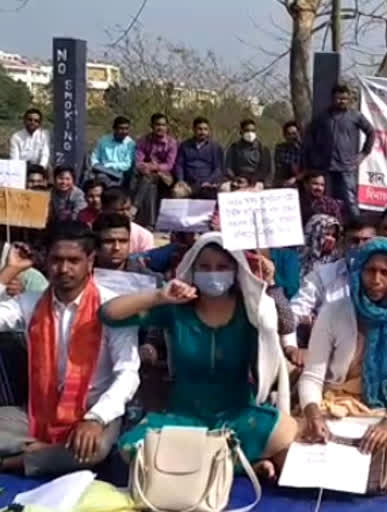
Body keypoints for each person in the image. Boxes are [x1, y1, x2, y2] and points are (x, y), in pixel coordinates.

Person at [100, 232, 296, 477]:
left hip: (237, 416)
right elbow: (108, 314)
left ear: (235, 271)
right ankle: (233, 462)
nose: (213, 273)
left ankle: (206, 462)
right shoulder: (177, 310)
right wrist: (159, 296)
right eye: (205, 267)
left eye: (222, 267)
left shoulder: (251, 308)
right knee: (131, 448)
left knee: (285, 431)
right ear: (192, 269)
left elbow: (287, 324)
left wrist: (271, 284)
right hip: (184, 418)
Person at [0, 222, 139, 476]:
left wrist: (96, 418)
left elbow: (128, 373)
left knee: (93, 449)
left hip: (93, 410)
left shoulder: (113, 308)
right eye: (56, 260)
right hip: (38, 412)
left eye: (73, 260)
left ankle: (14, 462)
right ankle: (46, 451)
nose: (63, 269)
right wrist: (10, 270)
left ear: (90, 260)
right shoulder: (30, 303)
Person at [299, 237, 387, 492]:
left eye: (385, 273)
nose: (376, 280)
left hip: (384, 414)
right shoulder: (334, 311)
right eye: (370, 271)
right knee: (299, 446)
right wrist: (313, 414)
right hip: (334, 406)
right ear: (357, 271)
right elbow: (312, 377)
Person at [303, 83, 375, 221]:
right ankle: (329, 226)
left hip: (346, 166)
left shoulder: (356, 116)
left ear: (348, 99)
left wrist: (363, 153)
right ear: (332, 99)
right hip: (326, 167)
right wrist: (314, 157)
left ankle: (355, 228)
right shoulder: (323, 117)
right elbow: (309, 135)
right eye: (338, 98)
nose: (341, 101)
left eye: (344, 99)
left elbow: (371, 132)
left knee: (350, 200)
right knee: (326, 201)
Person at [291, 219, 377, 324]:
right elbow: (297, 309)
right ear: (344, 243)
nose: (360, 246)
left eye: (366, 240)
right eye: (354, 241)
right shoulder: (323, 275)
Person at [134, 113, 178, 228]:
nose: (161, 128)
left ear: (167, 127)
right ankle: (151, 223)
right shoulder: (143, 141)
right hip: (148, 174)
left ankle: (135, 206)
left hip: (166, 177)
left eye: (163, 125)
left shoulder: (172, 143)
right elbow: (138, 161)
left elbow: (169, 165)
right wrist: (147, 168)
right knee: (150, 183)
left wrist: (153, 167)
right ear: (152, 126)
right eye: (157, 125)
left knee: (148, 179)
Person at [174, 117, 225, 191]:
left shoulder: (215, 147)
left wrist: (208, 181)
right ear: (194, 130)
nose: (203, 132)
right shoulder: (184, 145)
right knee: (177, 192)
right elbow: (179, 165)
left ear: (209, 131)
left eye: (205, 129)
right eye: (200, 129)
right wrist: (180, 180)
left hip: (208, 184)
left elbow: (218, 169)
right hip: (187, 184)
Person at [101, 187, 154, 254]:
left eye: (128, 209)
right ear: (105, 209)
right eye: (120, 210)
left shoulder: (144, 236)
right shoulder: (94, 231)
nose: (126, 214)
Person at [90, 116, 135, 187]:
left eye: (126, 129)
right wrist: (98, 166)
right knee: (100, 177)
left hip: (119, 174)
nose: (124, 132)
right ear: (114, 128)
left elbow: (127, 164)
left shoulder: (130, 143)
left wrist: (109, 166)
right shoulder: (103, 140)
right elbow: (95, 157)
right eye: (121, 128)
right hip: (102, 171)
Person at [225, 119, 272, 185]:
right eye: (247, 130)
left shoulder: (263, 148)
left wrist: (252, 180)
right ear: (241, 132)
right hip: (238, 180)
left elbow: (265, 169)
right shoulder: (234, 148)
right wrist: (235, 178)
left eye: (253, 131)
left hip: (257, 181)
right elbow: (228, 168)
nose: (250, 133)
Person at [299, 214, 342, 279]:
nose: (331, 239)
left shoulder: (335, 261)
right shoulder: (295, 256)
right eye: (326, 234)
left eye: (334, 235)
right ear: (315, 233)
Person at [273, 121, 303, 186]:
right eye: (289, 134)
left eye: (294, 133)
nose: (292, 136)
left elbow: (307, 169)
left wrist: (296, 178)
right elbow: (279, 168)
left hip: (301, 180)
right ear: (285, 135)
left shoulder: (304, 148)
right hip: (284, 180)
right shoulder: (280, 148)